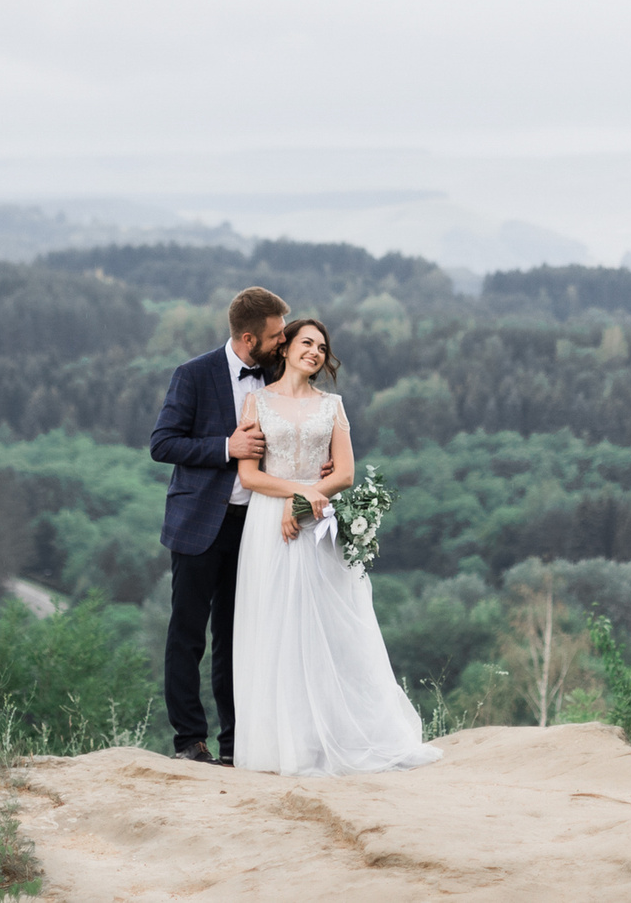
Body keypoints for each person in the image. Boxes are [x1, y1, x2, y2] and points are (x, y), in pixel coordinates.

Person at [230, 318, 442, 776]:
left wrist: (308, 500)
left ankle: (337, 738)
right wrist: (296, 493)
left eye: (322, 348)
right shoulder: (256, 402)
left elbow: (344, 473)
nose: (315, 352)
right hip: (271, 522)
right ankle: (284, 747)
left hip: (318, 523)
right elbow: (248, 475)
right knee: (276, 627)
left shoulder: (333, 406)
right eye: (307, 343)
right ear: (285, 349)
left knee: (327, 627)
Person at [148, 285, 288, 765]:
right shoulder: (192, 374)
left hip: (255, 527)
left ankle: (235, 745)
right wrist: (225, 448)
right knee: (187, 634)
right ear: (249, 339)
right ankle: (190, 740)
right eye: (276, 336)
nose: (283, 343)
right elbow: (163, 443)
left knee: (236, 637)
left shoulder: (278, 374)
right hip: (198, 524)